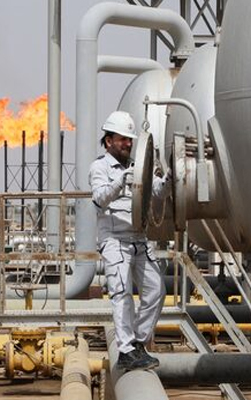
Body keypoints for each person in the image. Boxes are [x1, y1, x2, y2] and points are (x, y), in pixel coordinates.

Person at [89, 110, 172, 371]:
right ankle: (126, 350)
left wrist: (171, 175)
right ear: (109, 140)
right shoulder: (100, 167)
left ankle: (135, 342)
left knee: (156, 290)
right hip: (114, 240)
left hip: (138, 237)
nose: (128, 143)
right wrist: (119, 181)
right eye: (123, 139)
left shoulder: (138, 166)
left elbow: (157, 191)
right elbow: (99, 198)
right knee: (121, 292)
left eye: (129, 139)